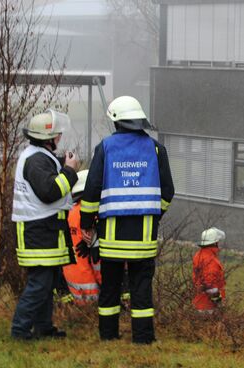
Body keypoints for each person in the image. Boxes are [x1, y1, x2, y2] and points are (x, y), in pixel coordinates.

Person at [80, 96, 174, 344]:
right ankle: (143, 338)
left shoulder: (106, 147)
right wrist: (155, 214)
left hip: (111, 237)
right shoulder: (156, 149)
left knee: (110, 287)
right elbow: (168, 192)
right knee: (141, 288)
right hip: (144, 237)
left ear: (116, 121)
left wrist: (86, 223)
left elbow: (91, 191)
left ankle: (108, 335)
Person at [11, 110, 80, 340]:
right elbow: (49, 192)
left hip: (43, 231)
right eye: (56, 135)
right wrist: (69, 170)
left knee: (46, 283)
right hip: (37, 232)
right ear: (47, 137)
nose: (59, 137)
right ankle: (20, 330)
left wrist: (64, 164)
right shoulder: (36, 160)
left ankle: (43, 327)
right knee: (39, 284)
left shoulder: (38, 156)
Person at [62, 170, 101, 304]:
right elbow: (97, 261)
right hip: (94, 294)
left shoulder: (69, 213)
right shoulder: (90, 214)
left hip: (75, 288)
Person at [192, 227, 226, 314]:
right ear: (215, 242)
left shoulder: (199, 255)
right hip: (208, 306)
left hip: (199, 301)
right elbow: (210, 285)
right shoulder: (210, 260)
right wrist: (218, 302)